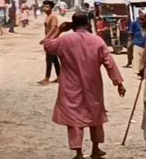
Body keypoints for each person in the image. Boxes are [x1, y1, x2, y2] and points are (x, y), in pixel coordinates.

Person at [40, 12, 126, 159]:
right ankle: (96, 149)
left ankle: (78, 152)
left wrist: (60, 31)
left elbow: (47, 46)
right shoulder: (97, 41)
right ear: (87, 23)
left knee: (74, 118)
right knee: (95, 115)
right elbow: (109, 63)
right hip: (93, 85)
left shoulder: (64, 40)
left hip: (70, 86)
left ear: (72, 25)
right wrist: (118, 83)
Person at [38, 0, 61, 85]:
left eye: (47, 7)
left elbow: (54, 27)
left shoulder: (52, 17)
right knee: (54, 60)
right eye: (44, 6)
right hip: (51, 39)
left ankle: (47, 78)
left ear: (51, 8)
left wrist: (46, 38)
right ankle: (59, 77)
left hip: (51, 40)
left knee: (49, 59)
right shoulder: (48, 16)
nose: (45, 8)